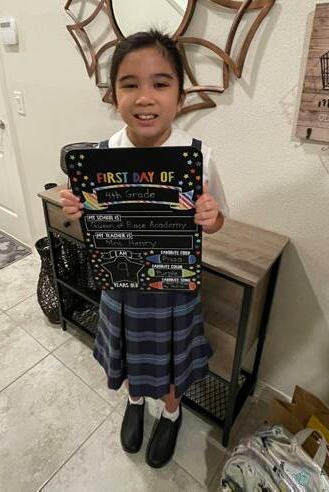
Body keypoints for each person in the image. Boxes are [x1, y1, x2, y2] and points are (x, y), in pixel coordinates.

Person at [60, 30, 229, 468]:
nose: (145, 97)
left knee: (171, 361)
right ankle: (135, 401)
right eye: (130, 84)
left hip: (174, 287)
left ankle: (171, 412)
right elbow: (94, 225)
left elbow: (219, 220)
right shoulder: (100, 157)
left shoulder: (198, 155)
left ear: (180, 95)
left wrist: (211, 216)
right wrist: (78, 210)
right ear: (113, 95)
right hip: (122, 287)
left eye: (160, 83)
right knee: (130, 354)